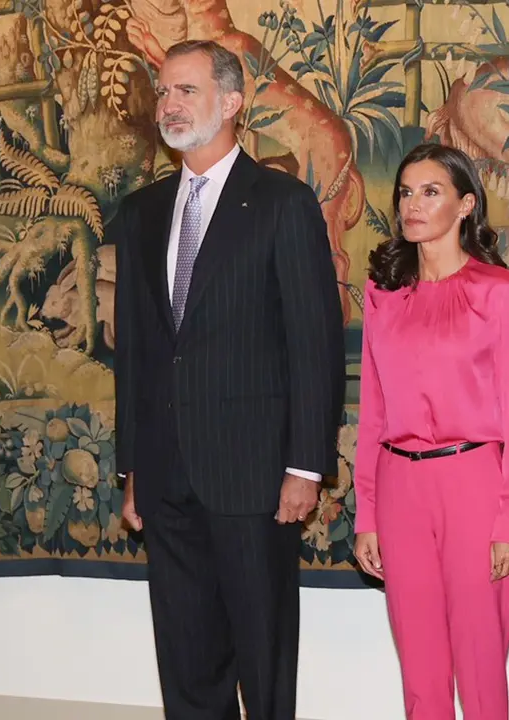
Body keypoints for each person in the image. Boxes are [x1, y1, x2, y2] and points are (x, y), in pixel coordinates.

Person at [111, 39, 345, 719]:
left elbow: (313, 344)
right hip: (165, 473)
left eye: (185, 90)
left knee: (262, 652)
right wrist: (131, 467)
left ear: (233, 102)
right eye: (163, 92)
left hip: (254, 473)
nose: (169, 105)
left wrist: (306, 465)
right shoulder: (141, 213)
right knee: (187, 657)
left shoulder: (281, 202)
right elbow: (137, 358)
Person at [351, 142, 509, 720]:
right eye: (406, 191)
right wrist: (367, 513)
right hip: (399, 487)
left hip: (474, 485)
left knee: (481, 668)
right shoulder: (383, 296)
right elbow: (373, 413)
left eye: (430, 191)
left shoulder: (498, 291)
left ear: (465, 205)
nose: (412, 204)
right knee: (420, 673)